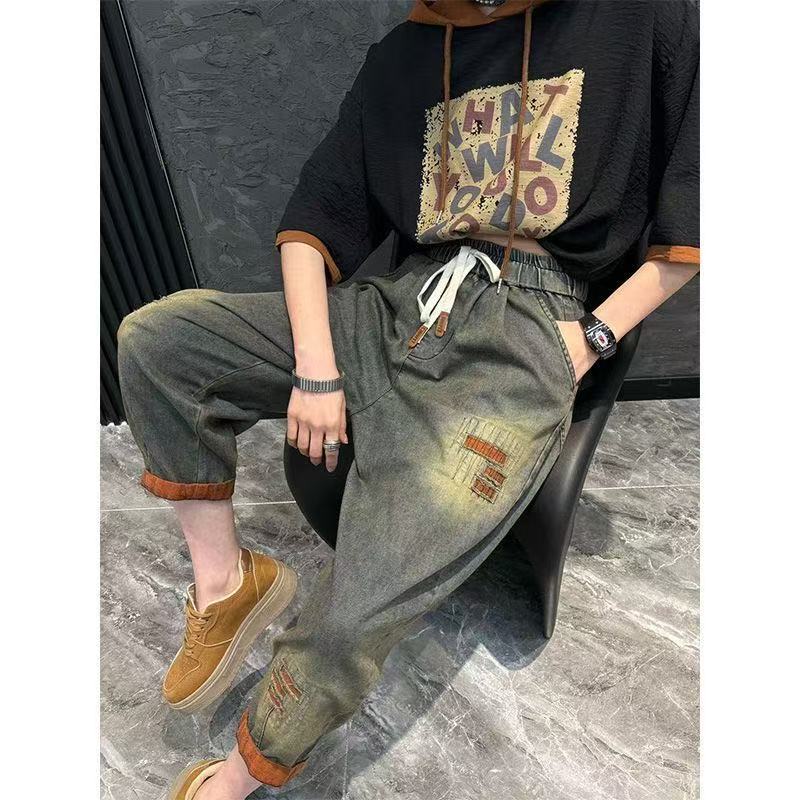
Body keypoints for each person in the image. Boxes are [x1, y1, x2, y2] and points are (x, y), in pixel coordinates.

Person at [116, 1, 700, 797]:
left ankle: (232, 782)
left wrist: (592, 337)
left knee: (354, 615)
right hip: (400, 305)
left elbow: (702, 202)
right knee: (161, 339)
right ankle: (225, 587)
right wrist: (317, 369)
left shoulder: (637, 19)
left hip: (527, 334)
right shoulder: (405, 54)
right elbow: (313, 221)